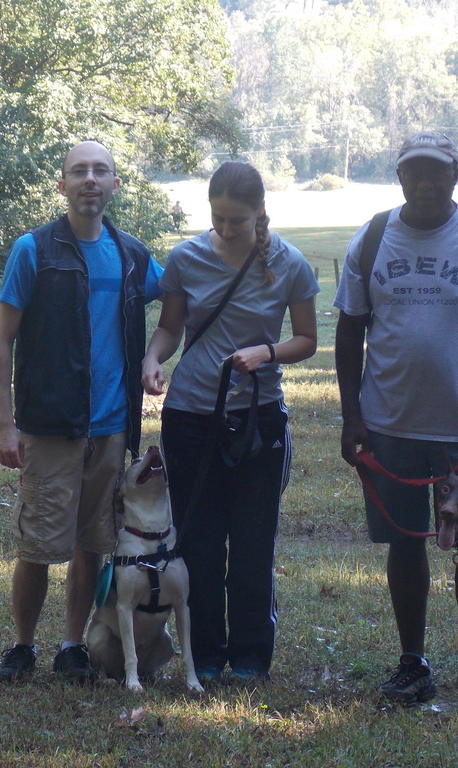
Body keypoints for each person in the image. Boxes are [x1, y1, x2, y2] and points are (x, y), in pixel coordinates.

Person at [333, 131, 458, 705]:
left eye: (435, 172)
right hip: (388, 424)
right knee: (404, 543)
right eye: (413, 172)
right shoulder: (373, 237)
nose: (424, 183)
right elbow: (349, 329)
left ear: (455, 175)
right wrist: (351, 416)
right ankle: (413, 664)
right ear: (399, 178)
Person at [0, 140, 163, 685]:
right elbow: (2, 340)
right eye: (79, 172)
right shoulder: (34, 250)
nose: (90, 180)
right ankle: (22, 646)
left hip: (111, 428)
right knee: (38, 545)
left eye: (101, 171)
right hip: (51, 425)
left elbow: (182, 297)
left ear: (115, 185)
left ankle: (71, 647)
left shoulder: (133, 255)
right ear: (61, 185)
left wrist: (155, 355)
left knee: (94, 544)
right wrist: (4, 423)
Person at [141, 161, 319, 683]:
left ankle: (249, 656)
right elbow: (170, 327)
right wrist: (153, 360)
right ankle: (207, 654)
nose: (225, 228)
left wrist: (266, 351)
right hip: (190, 417)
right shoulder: (187, 258)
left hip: (256, 419)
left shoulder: (290, 263)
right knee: (198, 538)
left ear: (260, 212)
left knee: (251, 539)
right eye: (217, 217)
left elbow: (307, 340)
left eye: (236, 220)